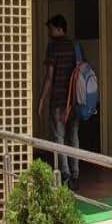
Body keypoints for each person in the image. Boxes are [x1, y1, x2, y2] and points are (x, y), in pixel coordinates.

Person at [38, 14, 80, 188]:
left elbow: (49, 77)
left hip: (58, 101)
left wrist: (41, 100)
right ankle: (76, 174)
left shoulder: (53, 47)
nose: (49, 32)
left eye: (51, 29)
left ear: (58, 28)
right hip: (74, 101)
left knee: (59, 138)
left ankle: (66, 174)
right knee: (73, 137)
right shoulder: (74, 46)